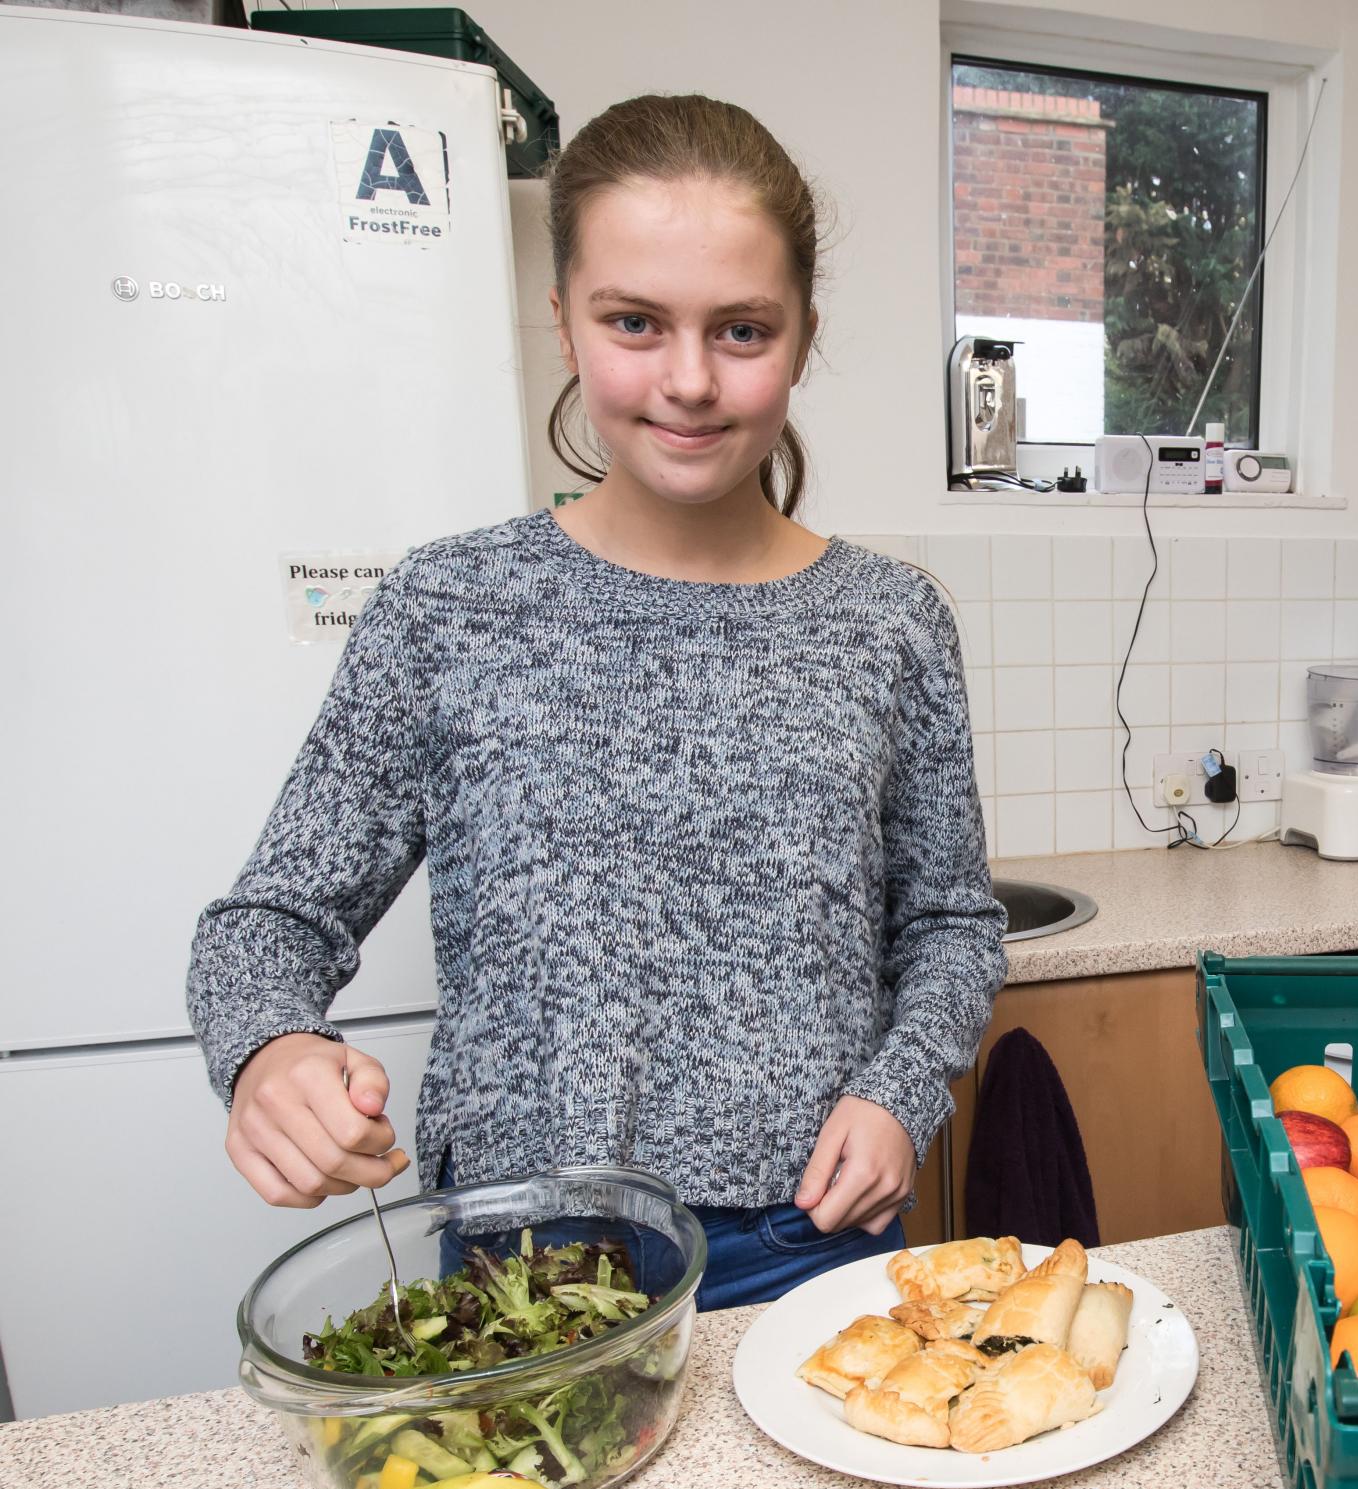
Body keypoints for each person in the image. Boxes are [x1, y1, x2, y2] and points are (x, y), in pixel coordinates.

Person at [187, 94, 1006, 1310]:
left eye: (740, 330)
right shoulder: (448, 604)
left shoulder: (889, 620)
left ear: (801, 337)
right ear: (564, 322)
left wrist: (901, 1092)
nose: (687, 381)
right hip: (526, 1255)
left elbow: (949, 924)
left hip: (807, 1239)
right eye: (635, 322)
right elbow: (266, 923)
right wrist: (268, 1049)